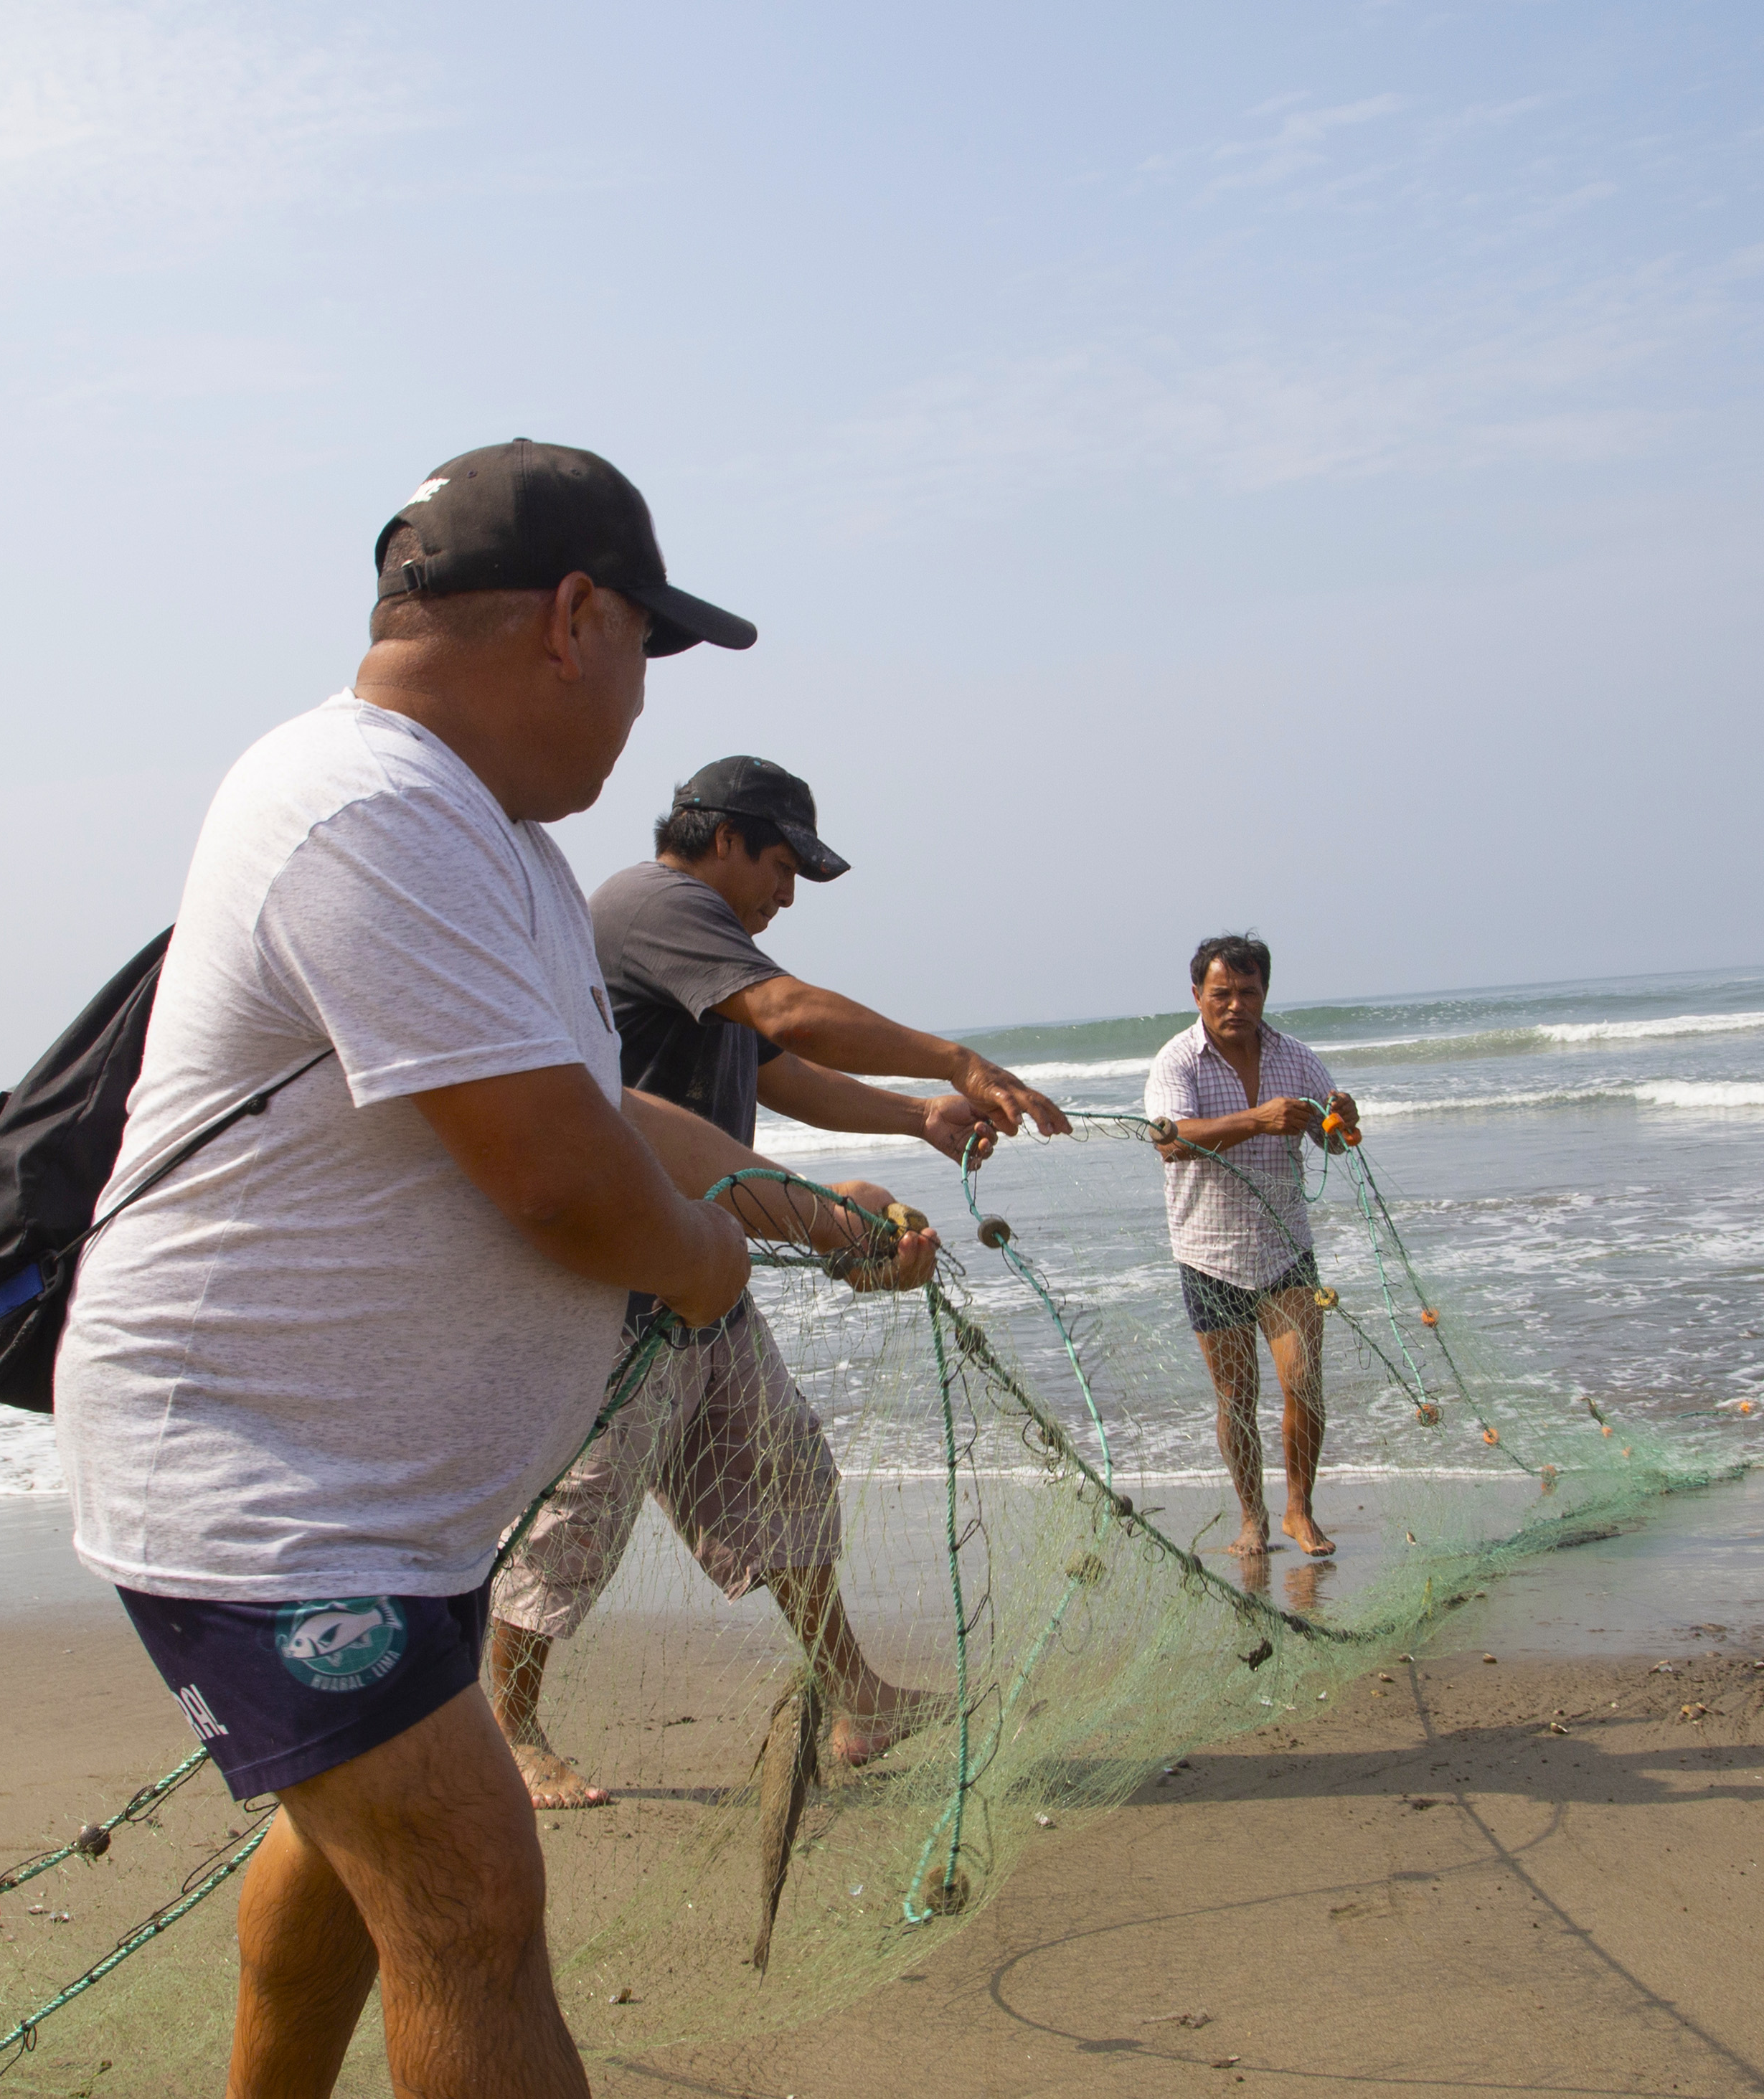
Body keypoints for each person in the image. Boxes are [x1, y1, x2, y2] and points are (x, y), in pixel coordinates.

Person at [58, 440, 784, 2099]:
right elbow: (557, 1181)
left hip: (379, 1497)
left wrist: (788, 1201)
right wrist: (700, 1266)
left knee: (354, 1848)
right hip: (262, 1488)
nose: (636, 711)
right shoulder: (361, 807)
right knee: (467, 1890)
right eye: (643, 661)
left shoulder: (495, 846)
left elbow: (593, 1116)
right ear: (573, 618)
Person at [486, 755, 1072, 1809]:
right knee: (580, 1516)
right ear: (720, 837)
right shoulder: (655, 904)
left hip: (700, 1274)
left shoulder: (697, 950)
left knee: (786, 1470)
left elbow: (778, 1070)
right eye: (782, 863)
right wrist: (955, 1061)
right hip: (620, 1283)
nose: (787, 895)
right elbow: (793, 1016)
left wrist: (914, 1113)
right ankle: (509, 1729)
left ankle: (859, 1694)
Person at [1142, 933, 1359, 1561]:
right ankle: (1251, 1520)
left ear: (1266, 993)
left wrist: (1341, 1118)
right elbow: (1171, 1140)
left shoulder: (1297, 1059)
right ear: (1197, 996)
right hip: (1208, 1252)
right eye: (1222, 993)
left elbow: (1338, 1144)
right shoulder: (1177, 1061)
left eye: (1248, 992)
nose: (1235, 1004)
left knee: (1304, 1384)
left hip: (1286, 1249)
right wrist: (1259, 1120)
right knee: (1236, 1398)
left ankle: (1299, 1510)